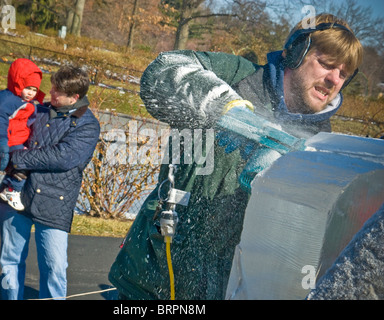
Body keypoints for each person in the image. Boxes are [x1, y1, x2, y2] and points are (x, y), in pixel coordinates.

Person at [108, 13, 363, 300]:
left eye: (343, 74)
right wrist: (226, 110)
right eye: (326, 63)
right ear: (295, 53)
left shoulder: (320, 146)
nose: (333, 79)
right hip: (150, 276)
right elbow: (161, 71)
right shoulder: (236, 75)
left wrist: (277, 180)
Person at [0, 65, 100, 300]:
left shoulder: (87, 124)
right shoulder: (38, 110)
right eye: (52, 88)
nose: (50, 93)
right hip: (17, 194)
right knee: (10, 260)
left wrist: (17, 158)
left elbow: (63, 157)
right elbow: (7, 126)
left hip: (55, 203)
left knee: (54, 268)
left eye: (57, 92)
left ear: (75, 97)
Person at [0, 58, 45, 211]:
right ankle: (13, 190)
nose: (31, 93)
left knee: (18, 166)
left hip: (17, 138)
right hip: (11, 139)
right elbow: (0, 123)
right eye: (28, 88)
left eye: (34, 90)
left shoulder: (20, 100)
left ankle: (7, 189)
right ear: (18, 84)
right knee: (24, 164)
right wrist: (3, 145)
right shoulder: (8, 101)